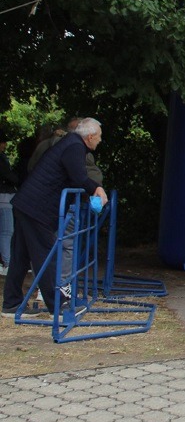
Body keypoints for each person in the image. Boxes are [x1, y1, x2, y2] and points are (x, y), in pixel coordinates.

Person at [2, 119, 110, 316]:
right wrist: (97, 188)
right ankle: (58, 306)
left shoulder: (70, 143)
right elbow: (78, 177)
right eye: (100, 136)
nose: (100, 140)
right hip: (36, 208)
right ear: (90, 137)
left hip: (26, 204)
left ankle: (11, 303)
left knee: (20, 257)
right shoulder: (75, 146)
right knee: (46, 255)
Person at [0, 135, 17, 275]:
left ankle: (5, 262)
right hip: (4, 198)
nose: (5, 145)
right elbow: (8, 175)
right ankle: (7, 263)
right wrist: (18, 180)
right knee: (7, 231)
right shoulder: (1, 158)